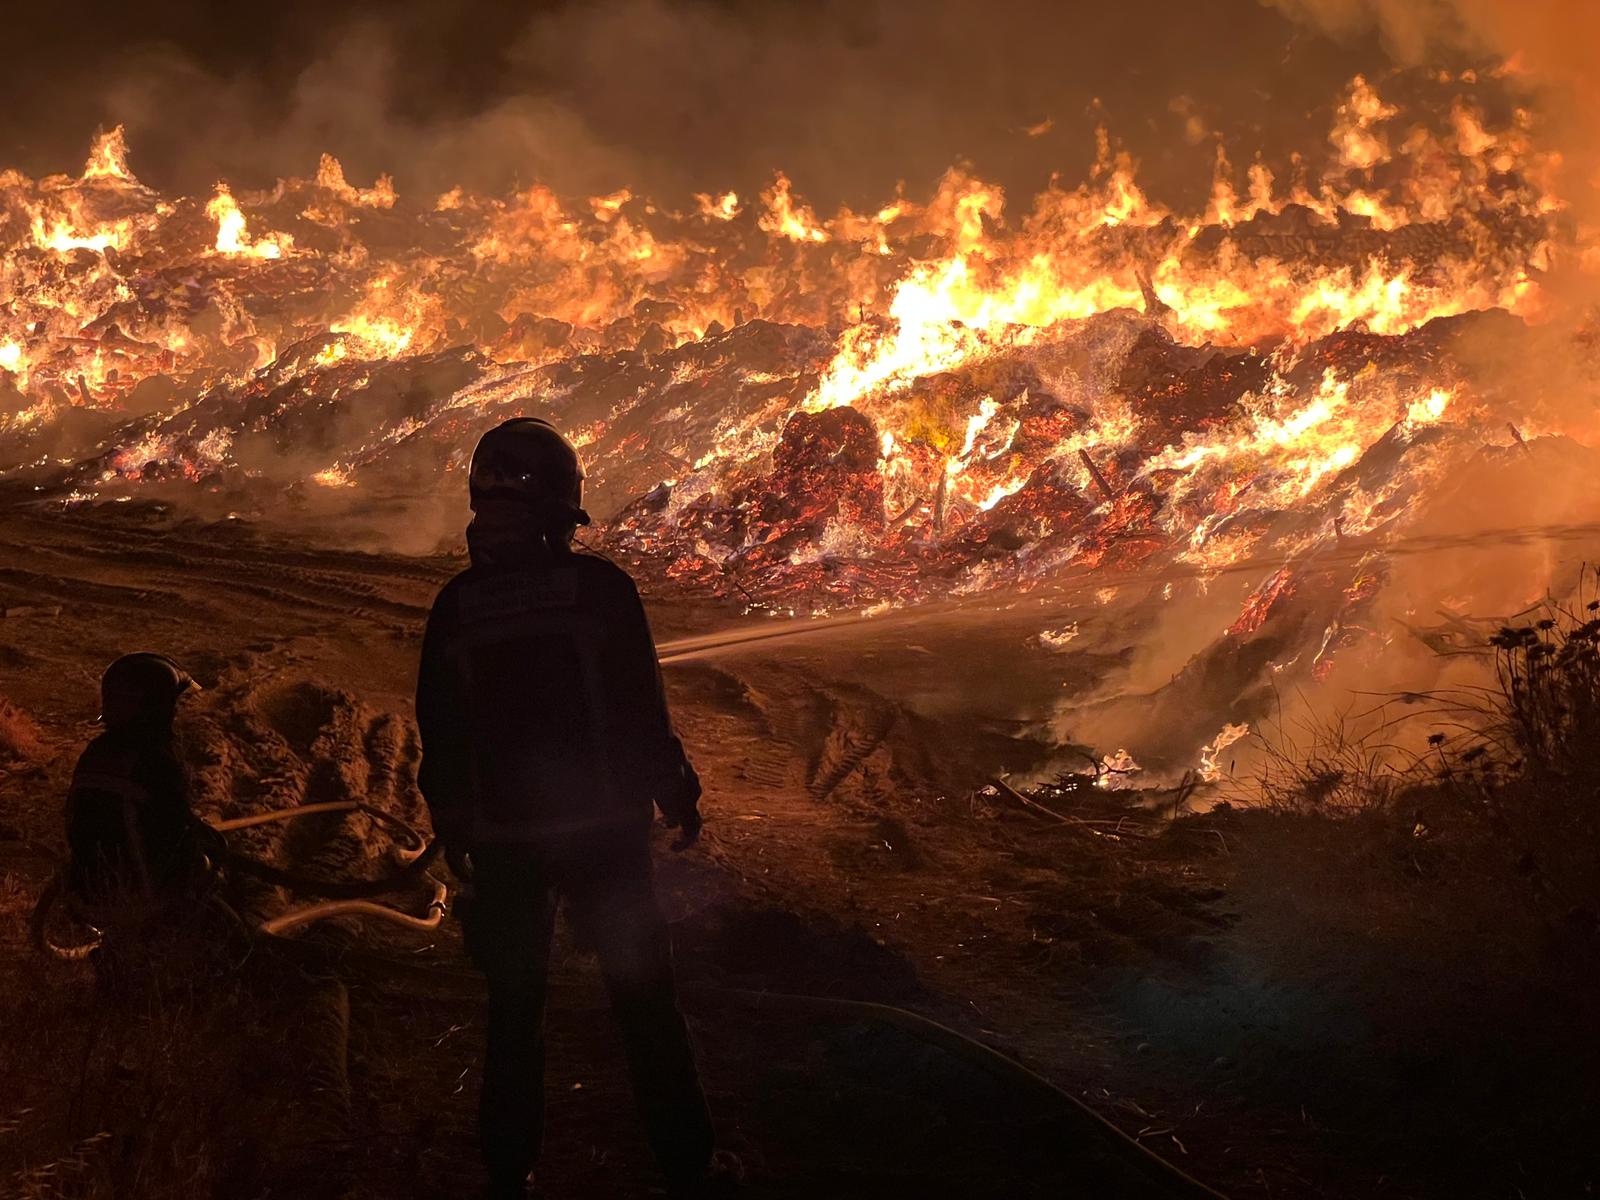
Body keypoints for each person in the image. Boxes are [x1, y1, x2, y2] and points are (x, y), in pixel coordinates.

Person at [415, 417, 738, 1200]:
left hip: (506, 841)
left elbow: (442, 731)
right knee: (644, 1007)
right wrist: (677, 794)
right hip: (605, 836)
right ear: (562, 512)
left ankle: (507, 1171)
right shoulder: (601, 592)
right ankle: (688, 1167)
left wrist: (455, 826)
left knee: (514, 1011)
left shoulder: (457, 607)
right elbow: (640, 714)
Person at [66, 652, 204, 905]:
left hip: (88, 887)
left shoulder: (97, 750)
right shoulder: (157, 761)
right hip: (143, 893)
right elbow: (178, 828)